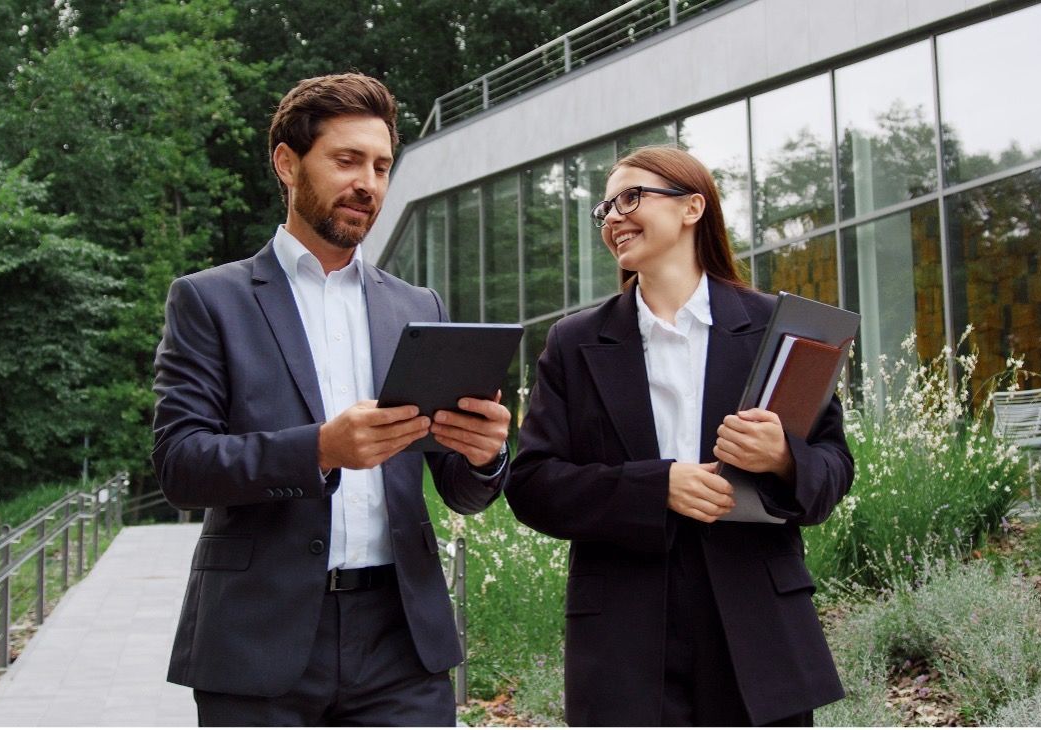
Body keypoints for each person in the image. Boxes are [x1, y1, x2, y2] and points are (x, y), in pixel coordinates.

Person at [152, 72, 512, 726]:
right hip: (259, 637)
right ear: (288, 164)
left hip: (401, 640)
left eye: (380, 165)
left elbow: (459, 487)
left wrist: (485, 456)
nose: (368, 183)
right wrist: (319, 449)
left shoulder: (417, 306)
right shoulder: (210, 301)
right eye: (347, 160)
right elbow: (181, 465)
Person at [504, 146, 853, 726]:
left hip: (758, 630)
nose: (613, 216)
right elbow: (533, 485)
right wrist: (656, 486)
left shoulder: (780, 328)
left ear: (693, 207)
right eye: (606, 207)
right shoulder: (574, 342)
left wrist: (785, 459)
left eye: (631, 197)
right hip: (624, 638)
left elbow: (834, 466)